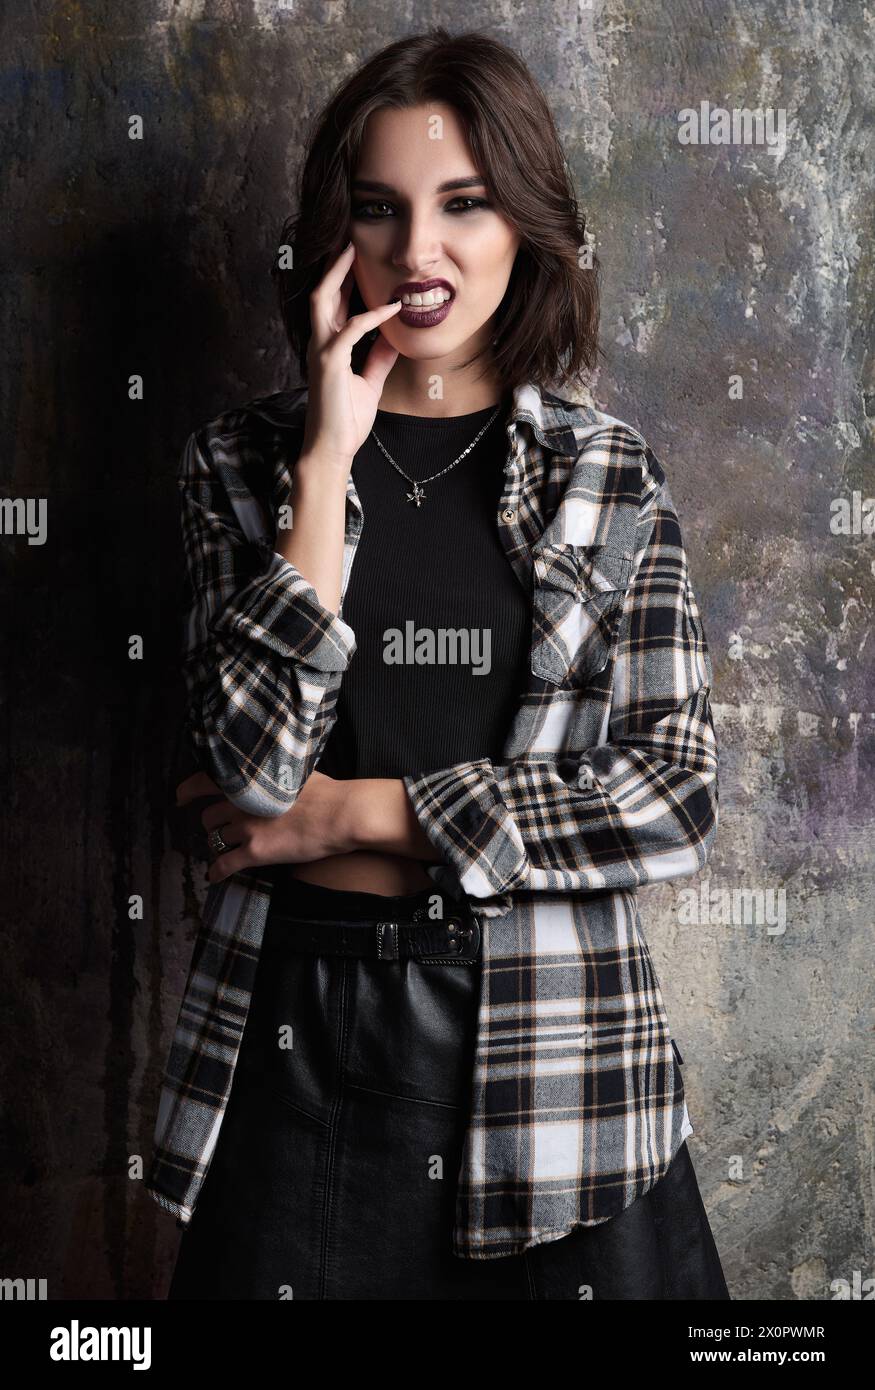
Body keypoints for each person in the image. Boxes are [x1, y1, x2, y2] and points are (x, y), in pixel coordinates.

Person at [147, 27, 730, 1301]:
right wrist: (324, 461)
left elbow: (671, 794)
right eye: (379, 209)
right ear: (336, 232)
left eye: (463, 204)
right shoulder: (235, 469)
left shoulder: (604, 473)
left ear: (523, 222)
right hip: (295, 1031)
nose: (418, 253)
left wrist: (362, 814)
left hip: (553, 1043)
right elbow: (250, 772)